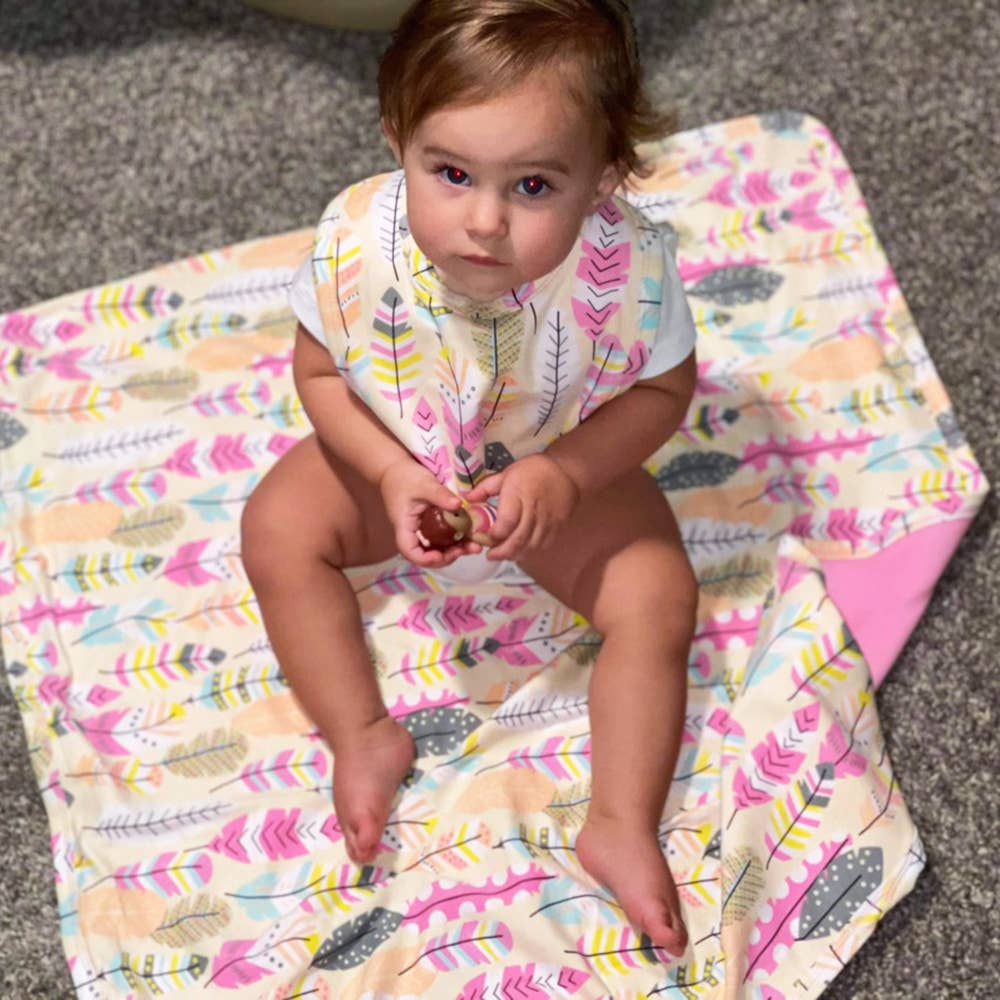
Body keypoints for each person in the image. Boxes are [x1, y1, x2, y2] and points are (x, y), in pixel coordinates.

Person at [241, 0, 697, 954]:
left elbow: (662, 389)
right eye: (450, 173)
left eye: (533, 184)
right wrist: (387, 468)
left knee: (658, 595)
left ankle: (618, 820)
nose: (483, 222)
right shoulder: (359, 238)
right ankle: (360, 732)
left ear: (605, 176)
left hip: (555, 460)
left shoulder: (635, 269)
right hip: (396, 454)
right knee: (276, 529)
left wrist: (568, 474)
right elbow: (320, 372)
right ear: (396, 138)